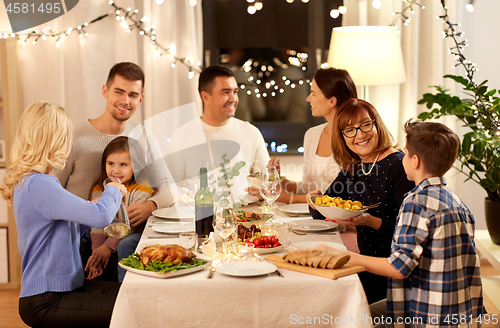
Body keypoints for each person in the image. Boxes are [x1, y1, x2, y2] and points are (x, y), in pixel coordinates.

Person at [317, 120, 484, 326]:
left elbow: (398, 267)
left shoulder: (416, 201)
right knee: (362, 312)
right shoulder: (456, 202)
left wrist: (344, 256)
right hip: (461, 314)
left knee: (348, 318)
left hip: (426, 315)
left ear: (414, 161)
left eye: (404, 153)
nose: (401, 157)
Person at [0, 101, 128, 328]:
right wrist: (112, 188)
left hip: (66, 287)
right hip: (46, 298)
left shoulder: (42, 181)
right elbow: (100, 217)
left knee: (134, 296)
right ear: (56, 139)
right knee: (131, 310)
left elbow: (71, 226)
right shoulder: (39, 184)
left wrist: (93, 206)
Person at [55, 62, 176, 266]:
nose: (125, 100)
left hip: (125, 235)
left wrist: (150, 205)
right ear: (105, 91)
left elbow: (170, 190)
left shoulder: (143, 136)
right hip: (79, 235)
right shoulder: (73, 135)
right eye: (119, 92)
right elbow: (52, 191)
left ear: (141, 99)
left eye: (133, 95)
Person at [307, 98, 415, 304]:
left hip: (395, 269)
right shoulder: (354, 167)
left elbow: (410, 233)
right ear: (343, 137)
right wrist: (313, 199)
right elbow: (321, 212)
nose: (360, 134)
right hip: (367, 262)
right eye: (349, 130)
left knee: (330, 298)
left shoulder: (399, 166)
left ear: (376, 125)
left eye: (365, 125)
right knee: (317, 289)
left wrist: (370, 221)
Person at [167, 65, 270, 202]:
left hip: (244, 216)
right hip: (198, 217)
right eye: (225, 92)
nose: (233, 99)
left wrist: (262, 190)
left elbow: (265, 183)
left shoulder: (251, 132)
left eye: (235, 92)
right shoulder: (182, 136)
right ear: (205, 97)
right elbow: (170, 188)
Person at [256, 67, 358, 204]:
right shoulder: (312, 135)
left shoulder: (355, 138)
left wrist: (290, 199)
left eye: (313, 94)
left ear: (331, 101)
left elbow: (348, 197)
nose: (308, 98)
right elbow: (309, 188)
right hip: (313, 219)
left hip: (340, 220)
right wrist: (278, 180)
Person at [86, 137, 154, 282]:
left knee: (127, 243)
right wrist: (96, 252)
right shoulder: (99, 188)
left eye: (123, 164)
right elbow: (96, 221)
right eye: (111, 163)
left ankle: (124, 285)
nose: (115, 171)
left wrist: (108, 247)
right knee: (82, 231)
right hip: (107, 230)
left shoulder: (141, 188)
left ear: (135, 167)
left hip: (133, 231)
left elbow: (130, 225)